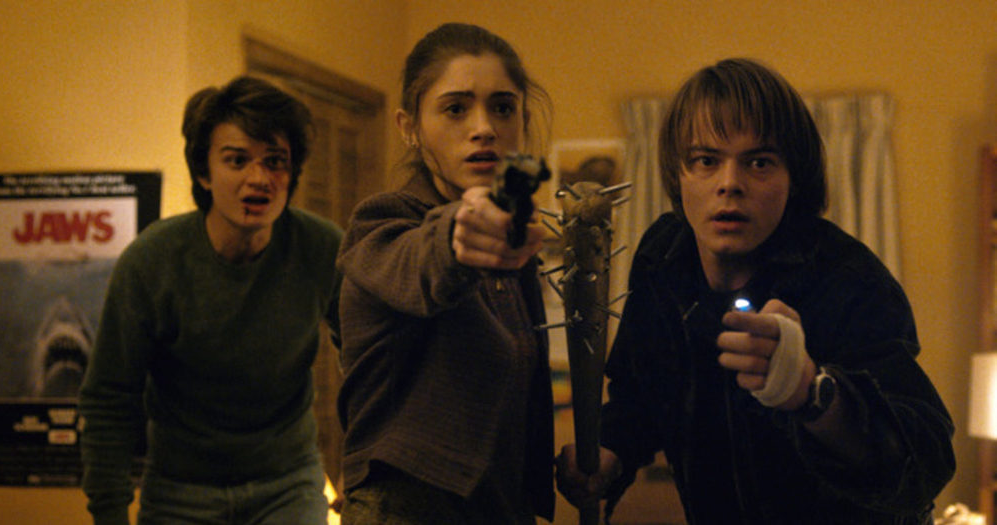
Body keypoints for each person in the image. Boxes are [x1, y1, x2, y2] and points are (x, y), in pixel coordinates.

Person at [556, 58, 956, 524]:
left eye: (759, 162)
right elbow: (640, 394)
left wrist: (811, 391)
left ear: (794, 178)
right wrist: (610, 451)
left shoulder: (849, 279)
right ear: (678, 174)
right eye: (706, 161)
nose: (730, 184)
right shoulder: (663, 258)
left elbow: (926, 464)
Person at [78, 76, 341, 525]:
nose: (258, 179)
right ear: (204, 172)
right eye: (237, 160)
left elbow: (373, 361)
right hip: (181, 490)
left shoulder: (321, 247)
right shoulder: (152, 261)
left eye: (275, 162)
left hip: (287, 483)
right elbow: (109, 399)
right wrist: (109, 513)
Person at [335, 22, 555, 524]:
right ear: (409, 126)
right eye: (455, 108)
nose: (484, 128)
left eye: (503, 108)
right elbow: (421, 263)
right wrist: (457, 234)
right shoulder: (381, 226)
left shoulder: (510, 241)